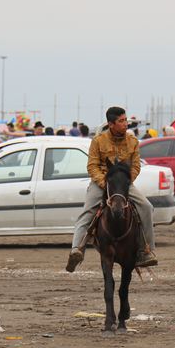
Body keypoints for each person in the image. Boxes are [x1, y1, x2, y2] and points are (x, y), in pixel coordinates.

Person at [66, 107, 157, 272]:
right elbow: (92, 166)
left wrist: (125, 182)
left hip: (123, 184)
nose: (125, 124)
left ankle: (147, 251)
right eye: (121, 121)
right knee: (87, 213)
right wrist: (104, 183)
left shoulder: (133, 142)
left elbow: (135, 166)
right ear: (111, 124)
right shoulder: (98, 141)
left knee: (147, 207)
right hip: (100, 181)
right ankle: (76, 250)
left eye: (125, 120)